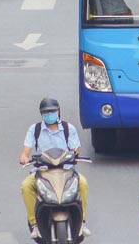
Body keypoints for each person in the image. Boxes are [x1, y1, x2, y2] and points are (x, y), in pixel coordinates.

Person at [21, 96, 86, 239]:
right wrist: (24, 157)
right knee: (26, 186)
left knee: (82, 183)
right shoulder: (35, 129)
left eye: (52, 111)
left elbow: (76, 149)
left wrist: (74, 154)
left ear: (59, 111)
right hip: (42, 172)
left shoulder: (69, 129)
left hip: (66, 171)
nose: (50, 114)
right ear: (41, 114)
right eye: (46, 112)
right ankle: (35, 225)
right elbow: (26, 150)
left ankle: (82, 222)